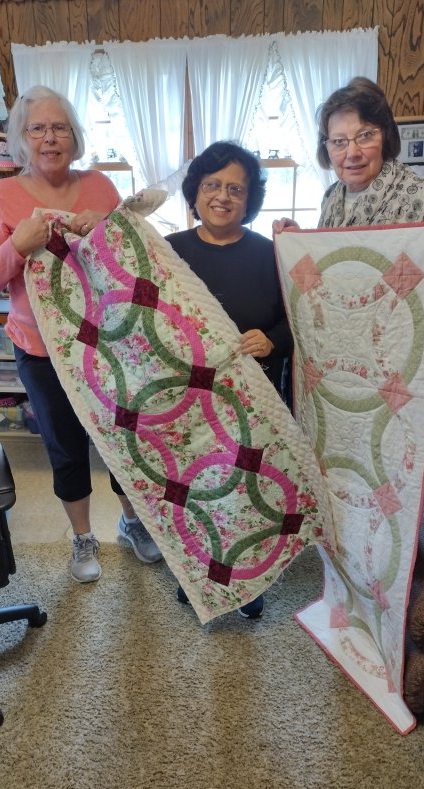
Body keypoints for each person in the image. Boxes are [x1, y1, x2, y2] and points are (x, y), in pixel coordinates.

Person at [0, 85, 161, 584]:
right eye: (38, 128)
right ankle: (82, 537)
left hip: (108, 343)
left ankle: (132, 522)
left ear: (75, 136)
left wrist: (109, 231)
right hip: (42, 350)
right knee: (66, 445)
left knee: (122, 438)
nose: (50, 138)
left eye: (60, 128)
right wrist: (17, 246)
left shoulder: (100, 186)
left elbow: (132, 262)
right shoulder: (1, 197)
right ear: (21, 138)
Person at [166, 140, 294, 619]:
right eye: (212, 185)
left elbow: (299, 323)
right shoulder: (168, 252)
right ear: (196, 190)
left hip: (252, 399)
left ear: (250, 199)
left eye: (235, 189)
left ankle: (247, 579)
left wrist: (273, 340)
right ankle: (196, 571)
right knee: (193, 489)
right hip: (187, 399)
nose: (222, 196)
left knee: (247, 490)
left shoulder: (271, 255)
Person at [273, 76, 424, 328]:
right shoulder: (331, 200)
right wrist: (301, 243)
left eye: (365, 135)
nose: (352, 153)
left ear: (385, 136)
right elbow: (335, 284)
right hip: (341, 342)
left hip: (398, 344)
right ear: (327, 148)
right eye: (339, 141)